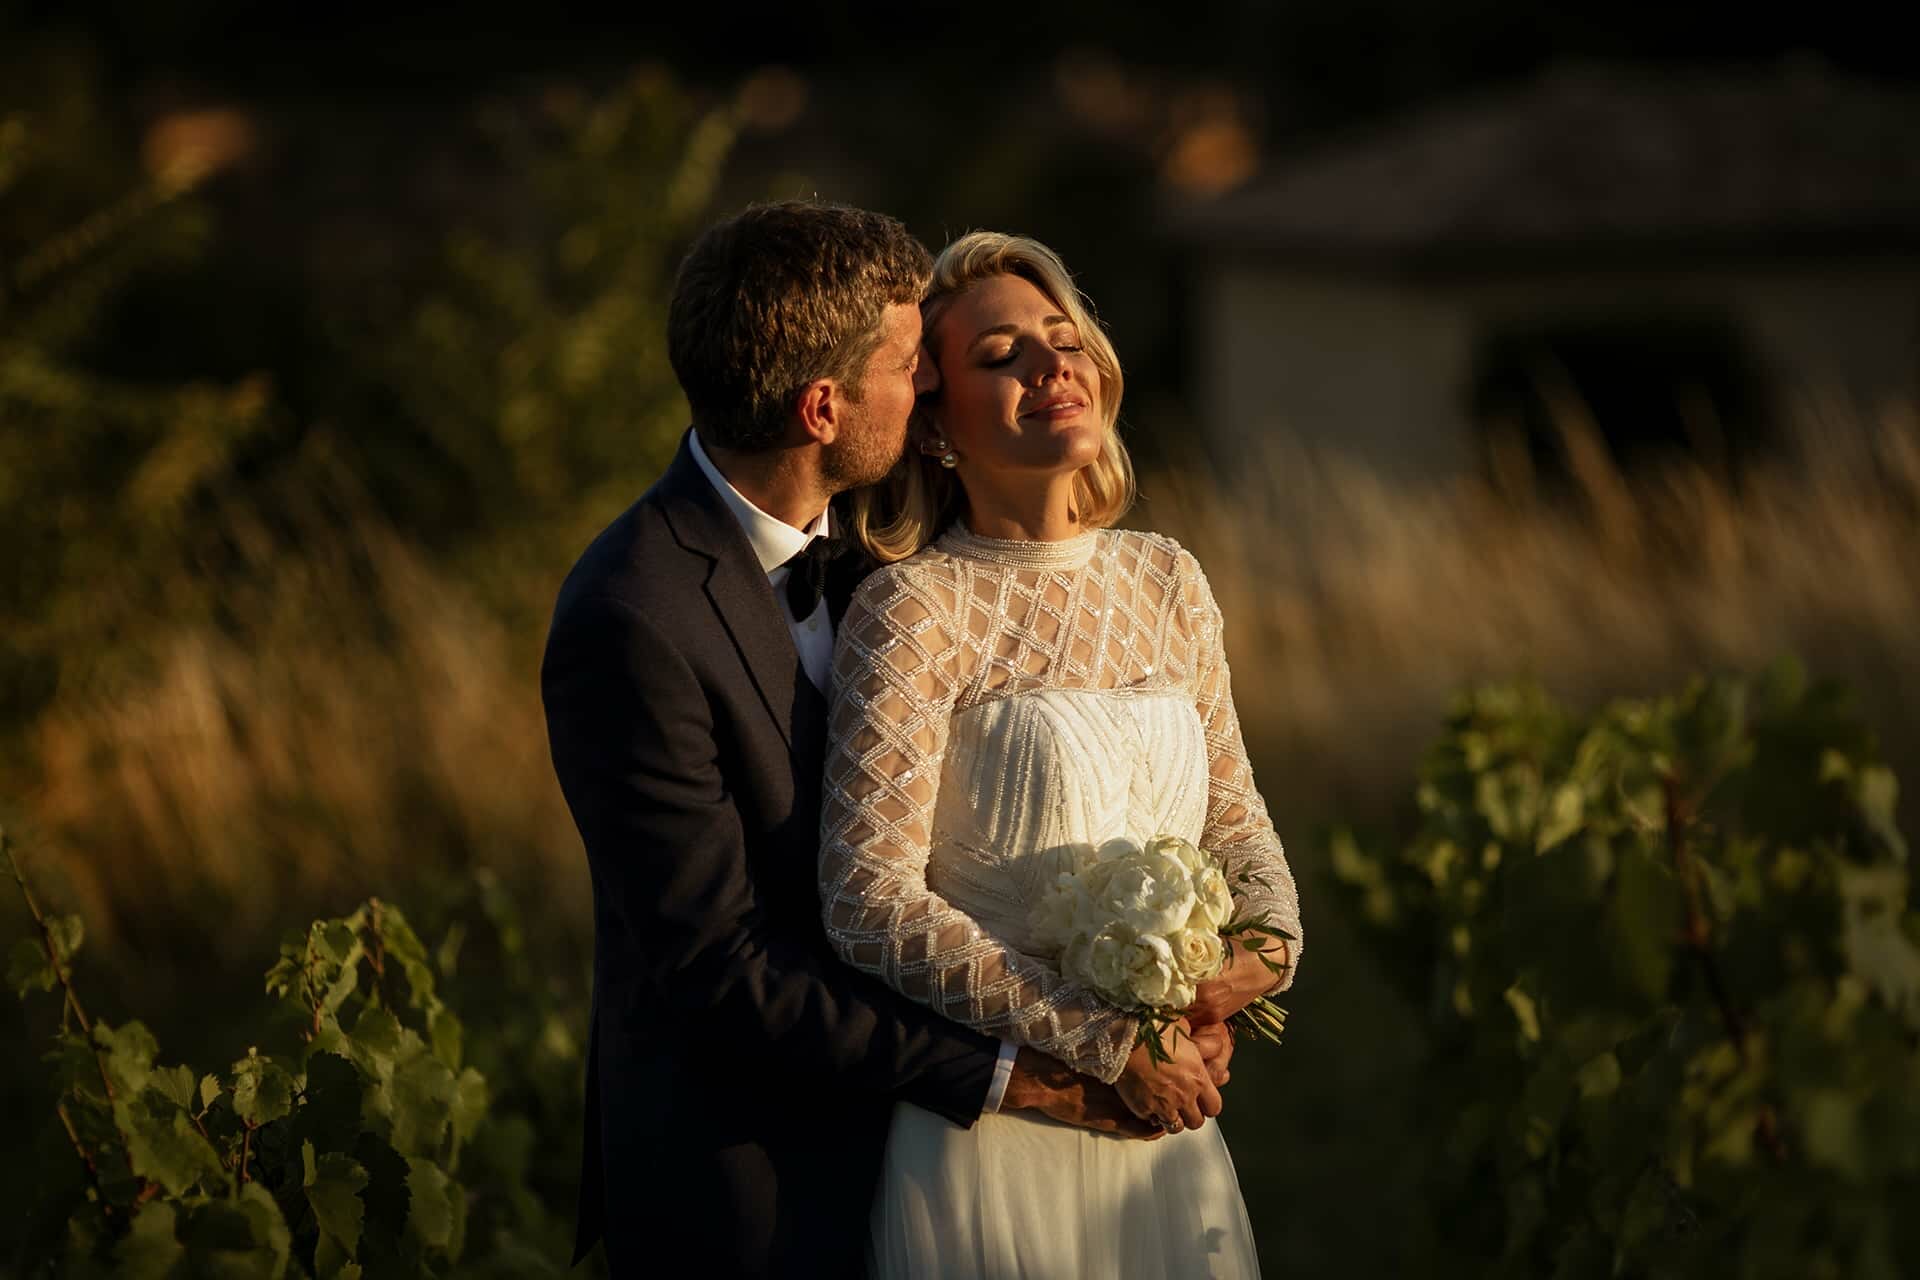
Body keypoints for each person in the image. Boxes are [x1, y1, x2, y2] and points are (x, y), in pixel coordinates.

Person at [540, 203, 1198, 1279]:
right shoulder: (631, 614)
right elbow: (719, 965)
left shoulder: (885, 560)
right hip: (754, 1184)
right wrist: (1021, 1074)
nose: (928, 382)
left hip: (944, 1149)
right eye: (908, 364)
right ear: (822, 404)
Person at [819, 231, 1304, 1278]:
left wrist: (1242, 966)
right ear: (937, 418)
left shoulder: (1168, 579)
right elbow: (866, 896)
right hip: (996, 1141)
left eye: (1062, 336)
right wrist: (1107, 1042)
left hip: (1170, 1128)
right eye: (1002, 354)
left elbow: (1238, 820)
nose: (1053, 365)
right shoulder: (912, 609)